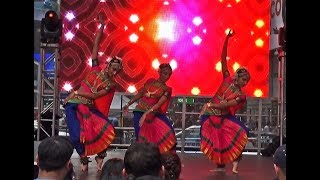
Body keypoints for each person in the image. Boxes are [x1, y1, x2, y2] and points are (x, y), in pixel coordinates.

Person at [63, 14, 123, 171]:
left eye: (118, 70)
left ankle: (99, 155)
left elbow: (96, 96)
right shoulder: (95, 68)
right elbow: (95, 47)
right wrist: (102, 27)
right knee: (75, 136)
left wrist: (76, 94)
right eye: (113, 67)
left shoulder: (110, 84)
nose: (115, 71)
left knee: (105, 131)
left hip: (88, 107)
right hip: (72, 105)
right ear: (108, 65)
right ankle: (83, 157)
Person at [199, 29, 250, 174]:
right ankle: (220, 166)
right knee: (216, 141)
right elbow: (223, 58)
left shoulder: (241, 95)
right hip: (211, 115)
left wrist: (211, 104)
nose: (245, 82)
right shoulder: (226, 78)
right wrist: (227, 39)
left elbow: (229, 104)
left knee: (240, 134)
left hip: (224, 117)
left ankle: (235, 165)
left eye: (247, 80)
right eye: (243, 79)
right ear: (237, 77)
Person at [123, 63, 176, 153]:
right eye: (164, 73)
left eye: (169, 74)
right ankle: (140, 160)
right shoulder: (150, 81)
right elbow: (140, 94)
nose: (167, 76)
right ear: (159, 72)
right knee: (140, 136)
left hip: (154, 113)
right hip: (139, 111)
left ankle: (163, 158)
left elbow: (159, 104)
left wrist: (146, 113)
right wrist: (128, 104)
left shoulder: (167, 89)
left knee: (169, 133)